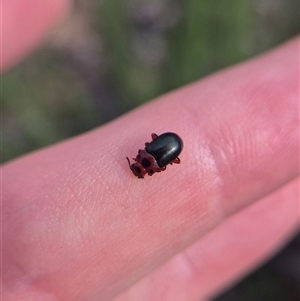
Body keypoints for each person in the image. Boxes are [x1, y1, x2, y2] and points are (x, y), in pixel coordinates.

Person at [2, 1, 299, 300]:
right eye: (141, 164)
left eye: (141, 164)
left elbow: (159, 151)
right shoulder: (152, 158)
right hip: (171, 144)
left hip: (170, 143)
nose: (140, 164)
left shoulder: (153, 158)